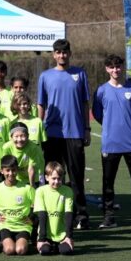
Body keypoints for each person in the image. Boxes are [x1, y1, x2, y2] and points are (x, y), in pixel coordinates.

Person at [92, 54, 131, 230]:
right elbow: (98, 114)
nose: (115, 70)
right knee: (108, 184)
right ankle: (109, 217)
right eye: (112, 67)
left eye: (118, 66)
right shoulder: (101, 91)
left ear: (123, 67)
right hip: (110, 144)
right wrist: (111, 126)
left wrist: (128, 126)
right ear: (107, 69)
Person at [37, 38, 91, 229]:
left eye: (65, 52)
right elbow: (41, 104)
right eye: (58, 52)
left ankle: (80, 215)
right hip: (52, 133)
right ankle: (52, 214)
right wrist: (39, 130)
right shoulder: (45, 76)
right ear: (54, 55)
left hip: (75, 133)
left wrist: (87, 129)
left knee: (76, 177)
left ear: (70, 53)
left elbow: (85, 103)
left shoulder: (80, 74)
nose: (62, 55)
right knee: (51, 176)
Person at [0, 155, 35, 256]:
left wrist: (32, 218)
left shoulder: (27, 188)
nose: (11, 173)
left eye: (13, 170)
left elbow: (38, 206)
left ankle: (26, 243)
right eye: (7, 170)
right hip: (6, 225)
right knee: (9, 250)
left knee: (20, 250)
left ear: (17, 170)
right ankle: (2, 243)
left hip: (23, 226)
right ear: (1, 171)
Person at [35, 162, 75, 256]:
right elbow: (42, 215)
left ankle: (58, 246)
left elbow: (68, 215)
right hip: (46, 235)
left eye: (59, 178)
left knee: (66, 251)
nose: (56, 181)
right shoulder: (40, 191)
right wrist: (41, 239)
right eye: (53, 178)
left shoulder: (68, 191)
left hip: (62, 236)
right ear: (46, 177)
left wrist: (68, 237)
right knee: (45, 251)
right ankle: (50, 245)